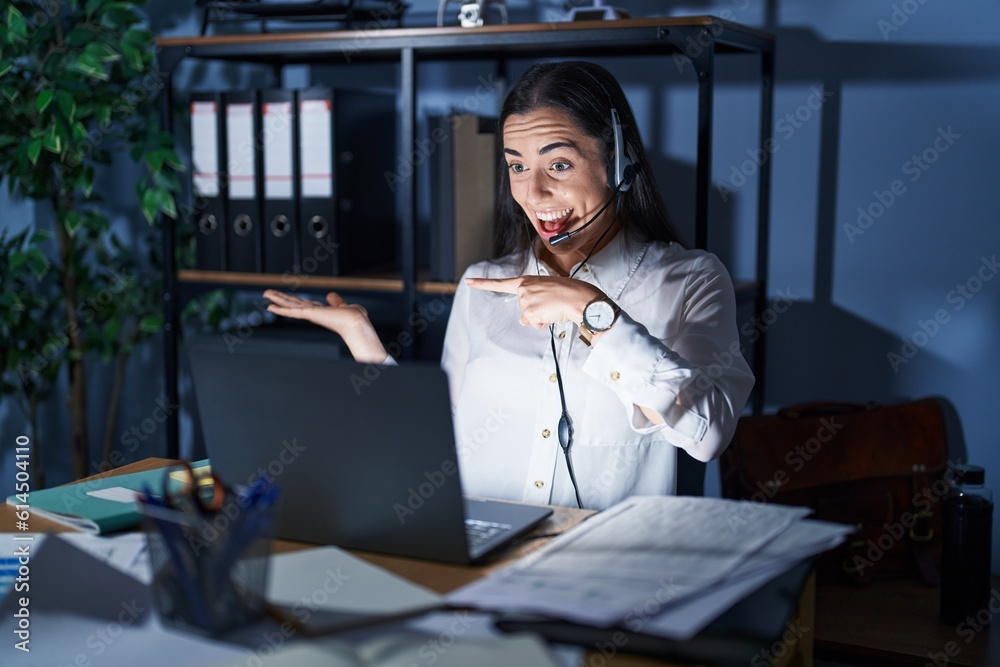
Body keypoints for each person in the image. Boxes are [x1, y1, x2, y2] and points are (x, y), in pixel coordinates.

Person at [263, 61, 754, 510]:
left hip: (604, 576)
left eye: (559, 164)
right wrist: (362, 339)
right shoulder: (485, 284)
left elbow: (707, 435)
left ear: (618, 160)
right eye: (517, 165)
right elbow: (436, 441)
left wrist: (594, 313)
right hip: (481, 564)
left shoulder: (691, 279)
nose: (534, 192)